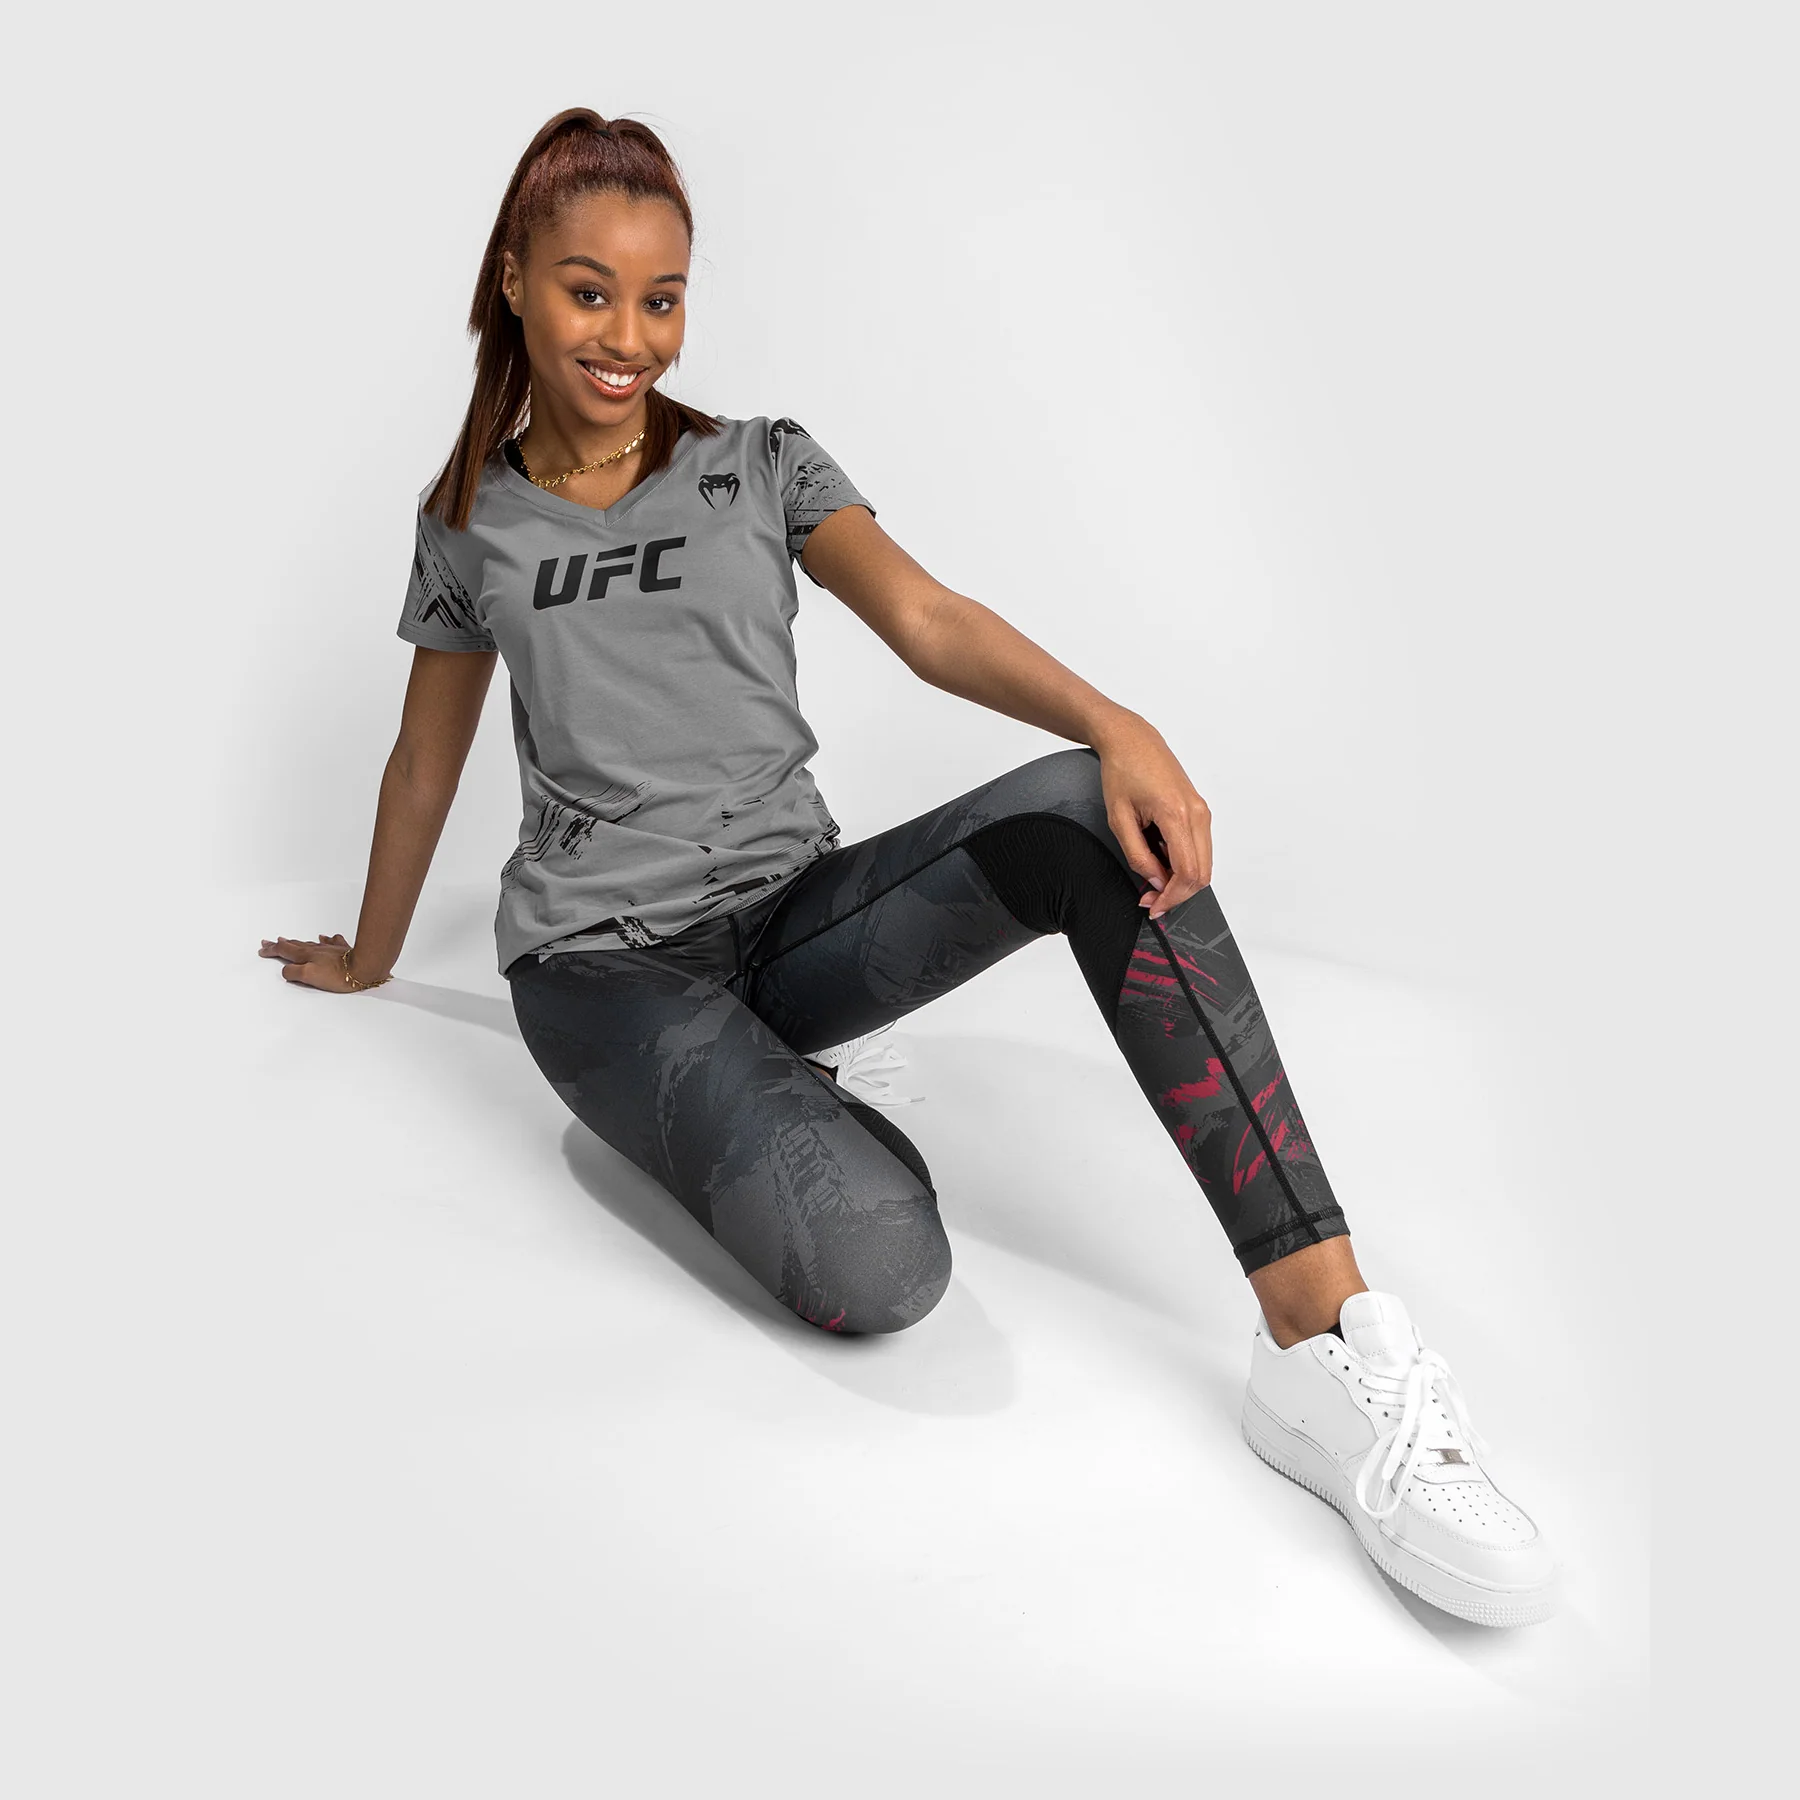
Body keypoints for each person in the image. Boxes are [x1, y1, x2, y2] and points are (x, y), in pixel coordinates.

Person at [259, 108, 1556, 1628]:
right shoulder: (469, 521)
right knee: (880, 1271)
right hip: (600, 969)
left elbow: (930, 624)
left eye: (662, 298)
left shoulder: (760, 464)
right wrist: (369, 954)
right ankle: (759, 1100)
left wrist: (1117, 722)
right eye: (588, 290)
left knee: (1089, 814)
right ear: (515, 281)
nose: (628, 336)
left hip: (785, 918)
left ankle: (1323, 1345)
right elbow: (424, 763)